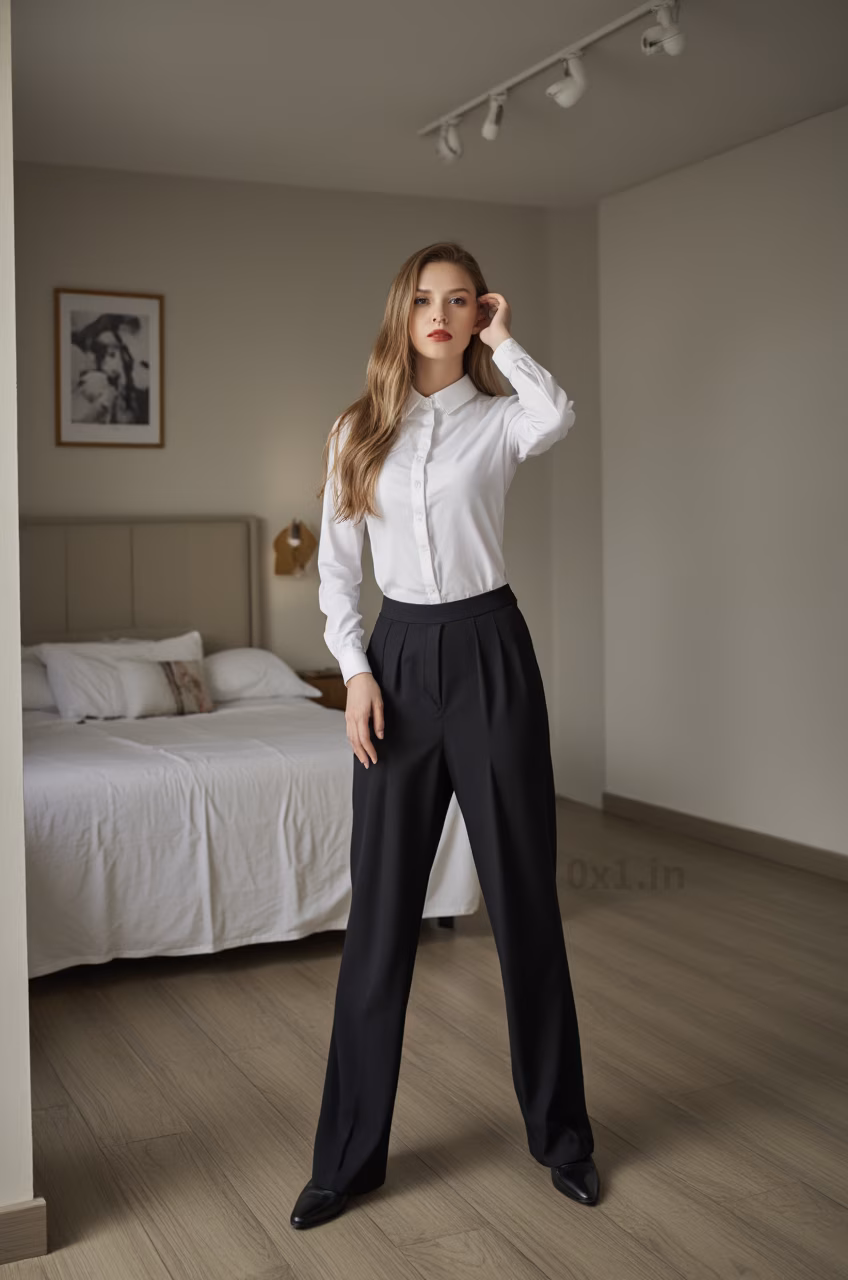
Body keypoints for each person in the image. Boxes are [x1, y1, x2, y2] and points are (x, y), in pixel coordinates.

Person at [291, 242, 598, 1230]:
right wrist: (353, 675)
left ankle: (563, 1138)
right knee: (378, 920)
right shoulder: (354, 431)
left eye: (459, 300)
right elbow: (337, 573)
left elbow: (558, 414)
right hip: (398, 660)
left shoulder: (503, 418)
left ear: (476, 315)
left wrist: (509, 341)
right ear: (402, 310)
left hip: (490, 654)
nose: (439, 313)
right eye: (424, 298)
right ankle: (346, 1160)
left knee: (523, 911)